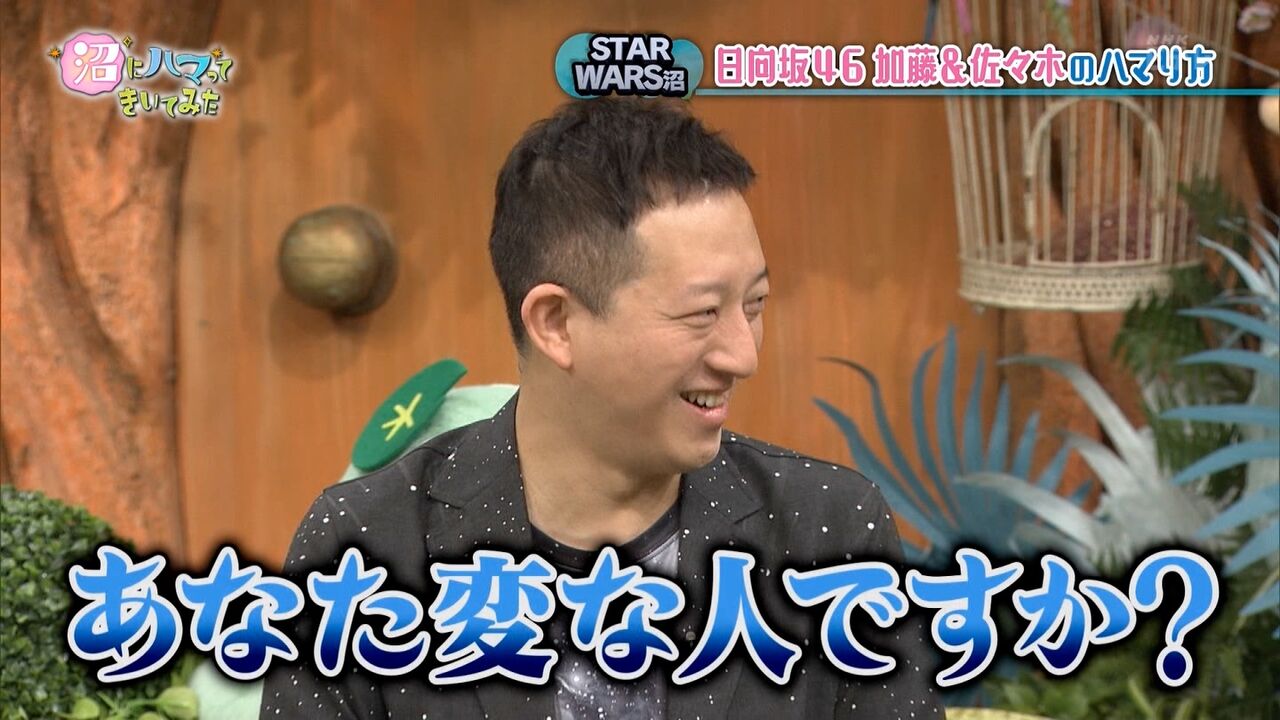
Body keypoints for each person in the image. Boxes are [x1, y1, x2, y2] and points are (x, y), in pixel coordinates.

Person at [260, 97, 942, 719]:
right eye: (702, 313)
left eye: (754, 304)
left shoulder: (828, 531)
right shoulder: (369, 545)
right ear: (556, 323)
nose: (743, 355)